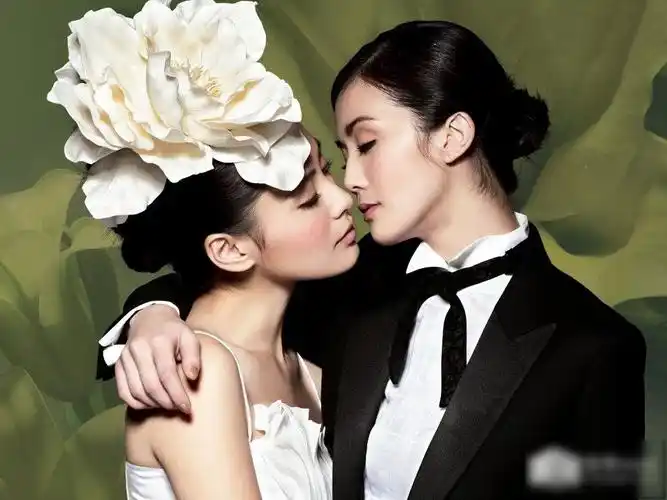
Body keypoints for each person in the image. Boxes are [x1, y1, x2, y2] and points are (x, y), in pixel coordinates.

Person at [97, 19, 646, 500]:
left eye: (367, 144)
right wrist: (152, 318)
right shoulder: (359, 286)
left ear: (453, 136)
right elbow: (220, 278)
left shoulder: (596, 347)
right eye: (342, 156)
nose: (351, 183)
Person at [47, 2, 359, 499]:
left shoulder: (312, 373)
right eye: (307, 199)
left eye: (328, 172)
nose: (344, 200)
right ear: (229, 250)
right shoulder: (194, 369)